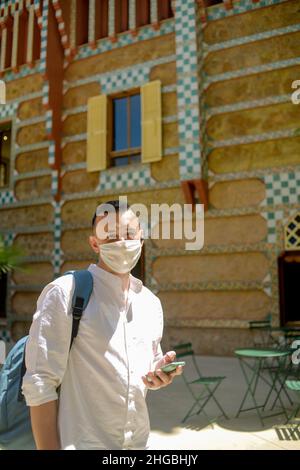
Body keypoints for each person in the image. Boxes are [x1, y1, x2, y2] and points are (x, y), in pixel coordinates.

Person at [22, 199, 183, 450]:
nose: (121, 243)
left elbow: (143, 369)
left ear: (141, 238)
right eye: (110, 236)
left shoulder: (150, 303)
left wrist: (159, 373)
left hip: (139, 444)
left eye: (129, 234)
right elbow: (39, 383)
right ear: (94, 243)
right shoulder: (65, 293)